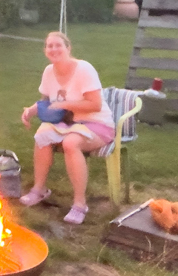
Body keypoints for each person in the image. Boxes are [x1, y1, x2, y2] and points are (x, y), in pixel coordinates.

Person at [19, 31, 115, 225]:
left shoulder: (84, 69)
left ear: (68, 48)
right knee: (42, 135)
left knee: (70, 143)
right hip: (69, 122)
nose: (53, 49)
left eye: (58, 45)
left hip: (97, 123)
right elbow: (46, 101)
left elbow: (95, 105)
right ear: (45, 50)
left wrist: (64, 105)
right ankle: (39, 189)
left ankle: (80, 204)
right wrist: (30, 111)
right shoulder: (48, 71)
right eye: (49, 46)